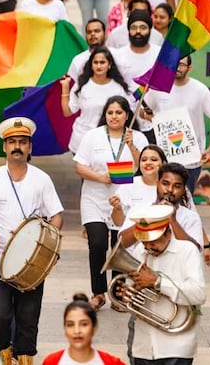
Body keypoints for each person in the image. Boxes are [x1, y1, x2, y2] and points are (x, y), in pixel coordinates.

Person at [0, 117, 64, 365]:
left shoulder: (41, 179)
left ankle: (24, 357)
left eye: (22, 142)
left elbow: (56, 214)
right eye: (12, 141)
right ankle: (1, 352)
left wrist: (49, 247)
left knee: (28, 317)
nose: (17, 146)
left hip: (32, 265)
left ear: (30, 147)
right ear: (4, 146)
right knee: (0, 314)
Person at [74, 96, 148, 311]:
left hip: (124, 200)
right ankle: (98, 293)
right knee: (97, 244)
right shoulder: (92, 136)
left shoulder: (138, 138)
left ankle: (119, 292)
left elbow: (144, 166)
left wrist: (132, 145)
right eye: (110, 112)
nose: (114, 116)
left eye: (119, 112)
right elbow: (79, 166)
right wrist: (101, 178)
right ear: (105, 115)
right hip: (94, 198)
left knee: (120, 246)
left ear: (127, 115)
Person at [121, 205, 206, 365]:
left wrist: (157, 282)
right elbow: (131, 293)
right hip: (143, 344)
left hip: (176, 345)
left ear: (168, 233)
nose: (148, 247)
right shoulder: (140, 251)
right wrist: (128, 295)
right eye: (144, 242)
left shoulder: (187, 251)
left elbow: (199, 293)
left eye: (153, 242)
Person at [146, 56, 210, 191]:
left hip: (191, 159)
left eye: (181, 64)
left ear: (189, 68)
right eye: (174, 63)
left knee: (186, 200)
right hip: (164, 158)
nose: (177, 67)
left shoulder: (200, 89)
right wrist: (151, 117)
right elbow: (145, 111)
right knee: (162, 201)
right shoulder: (158, 87)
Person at [119, 163, 204, 251]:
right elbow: (122, 244)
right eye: (165, 184)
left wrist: (173, 221)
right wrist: (147, 218)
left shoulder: (191, 217)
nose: (170, 190)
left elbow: (195, 251)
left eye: (177, 186)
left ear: (183, 190)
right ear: (157, 184)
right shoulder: (139, 209)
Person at [60, 47, 130, 154]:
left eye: (102, 62)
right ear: (91, 65)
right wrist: (65, 88)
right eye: (95, 62)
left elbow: (126, 114)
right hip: (82, 139)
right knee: (84, 170)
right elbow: (68, 112)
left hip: (108, 142)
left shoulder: (118, 88)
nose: (98, 66)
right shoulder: (82, 85)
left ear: (109, 64)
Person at [110, 7, 162, 141]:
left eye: (143, 27)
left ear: (150, 30)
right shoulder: (117, 55)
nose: (138, 31)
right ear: (128, 30)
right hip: (126, 120)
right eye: (134, 27)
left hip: (156, 120)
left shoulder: (160, 54)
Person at [41, 293, 125, 365]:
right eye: (70, 325)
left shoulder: (111, 363)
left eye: (84, 324)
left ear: (94, 327)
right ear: (65, 329)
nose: (77, 331)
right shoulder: (51, 362)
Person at [109, 145, 166, 229]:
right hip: (133, 238)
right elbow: (118, 223)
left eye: (154, 160)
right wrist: (117, 209)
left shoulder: (172, 186)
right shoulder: (129, 185)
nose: (148, 162)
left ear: (164, 163)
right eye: (143, 160)